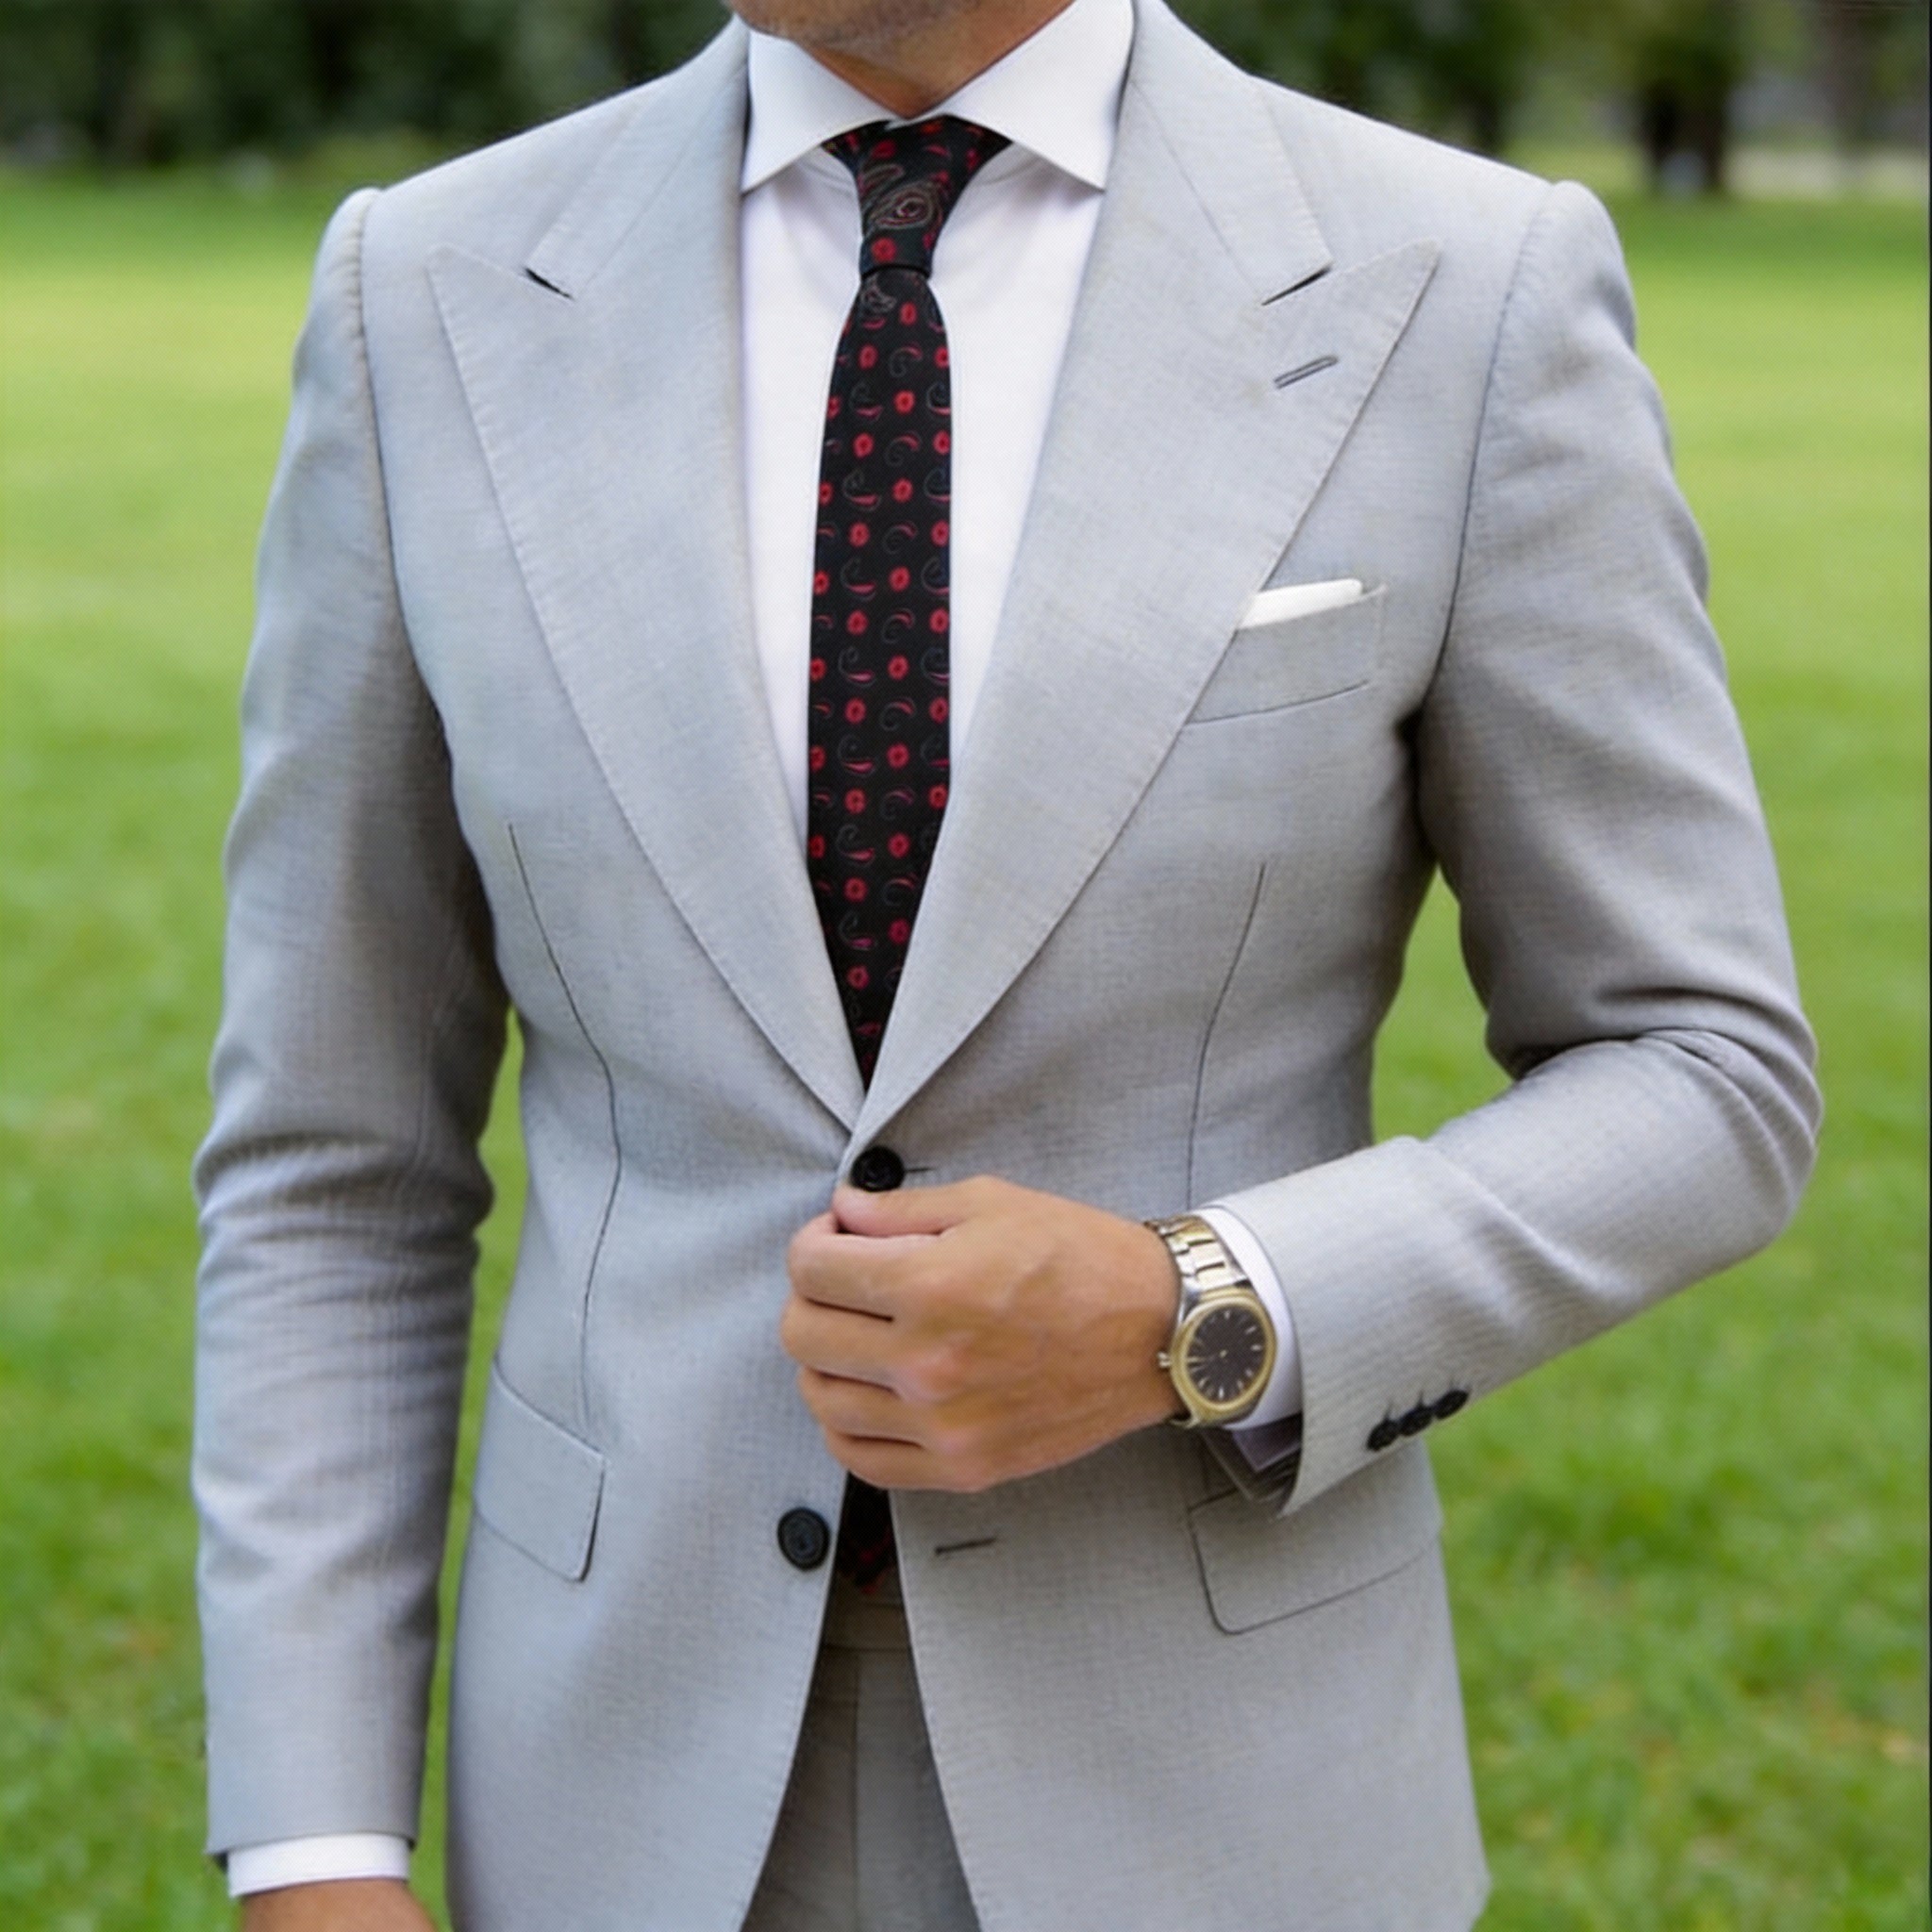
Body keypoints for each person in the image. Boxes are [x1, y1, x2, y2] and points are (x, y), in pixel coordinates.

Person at [191, 0, 1819, 1924]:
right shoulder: (424, 287)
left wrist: (1194, 1306)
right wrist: (312, 1849)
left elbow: (1701, 1067)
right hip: (615, 1799)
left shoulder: (1467, 285)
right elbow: (332, 1157)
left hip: (1226, 1796)